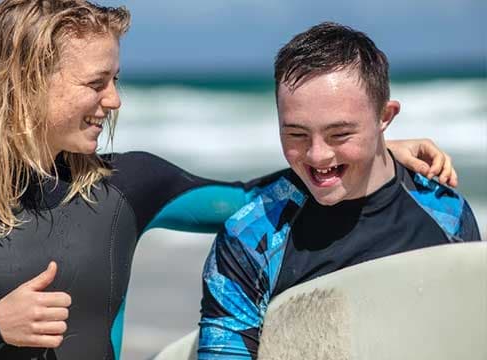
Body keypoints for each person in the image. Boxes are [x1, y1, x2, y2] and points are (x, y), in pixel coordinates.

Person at [0, 1, 456, 359]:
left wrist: (367, 149)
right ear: (27, 82)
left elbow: (253, 201)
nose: (114, 100)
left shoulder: (128, 186)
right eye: (97, 83)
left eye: (115, 79)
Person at [197, 22, 482, 359]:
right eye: (297, 135)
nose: (318, 155)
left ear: (384, 117)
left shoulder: (446, 213)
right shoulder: (250, 240)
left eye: (340, 134)